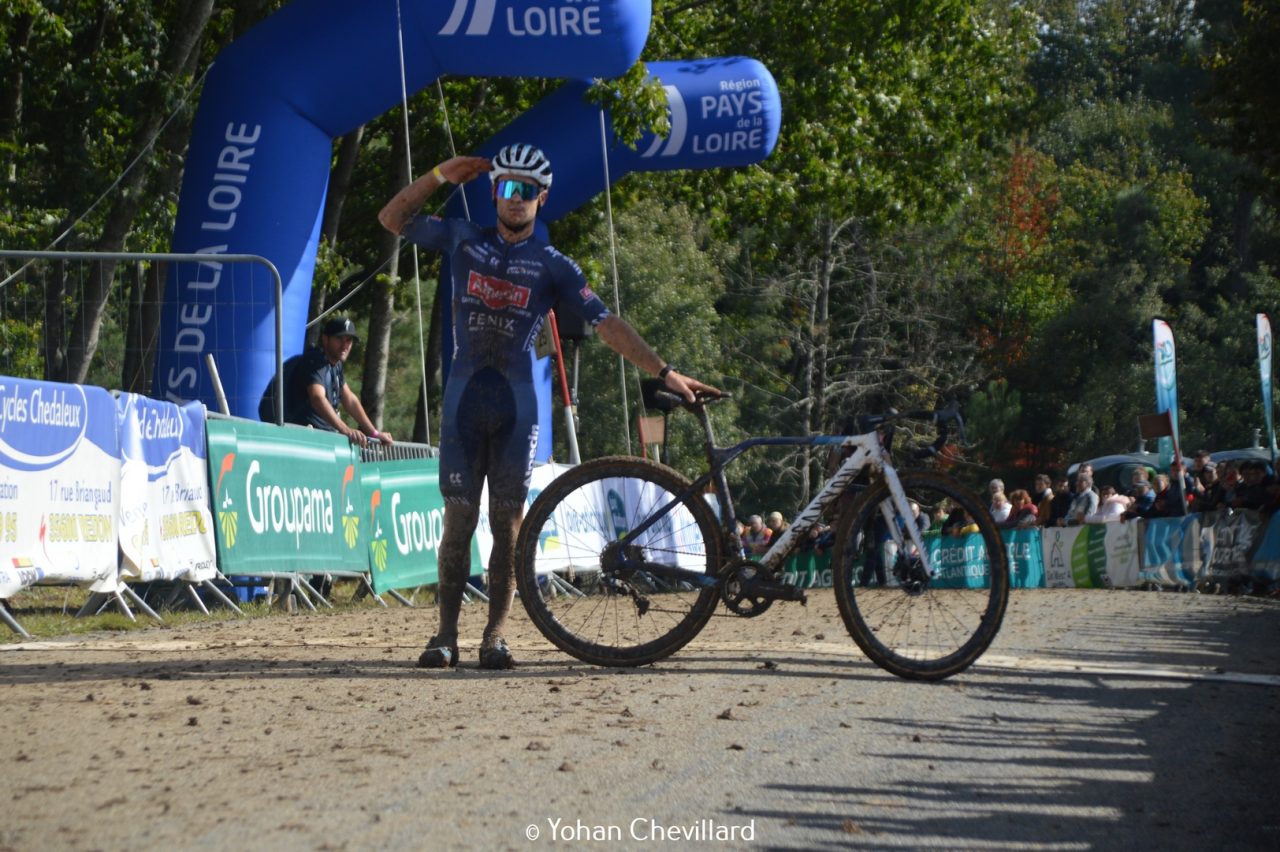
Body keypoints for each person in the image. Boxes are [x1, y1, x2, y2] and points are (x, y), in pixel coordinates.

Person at [378, 145, 720, 669]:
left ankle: (494, 635)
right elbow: (392, 218)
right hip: (464, 402)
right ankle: (445, 634)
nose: (517, 200)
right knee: (460, 520)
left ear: (543, 199)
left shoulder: (553, 265)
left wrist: (664, 371)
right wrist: (438, 174)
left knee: (509, 524)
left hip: (517, 407)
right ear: (495, 192)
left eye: (528, 192)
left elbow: (607, 324)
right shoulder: (462, 237)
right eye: (508, 188)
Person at [281, 317, 393, 448]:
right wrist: (345, 430)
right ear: (325, 339)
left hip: (322, 439)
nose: (345, 345)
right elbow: (317, 397)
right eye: (339, 339)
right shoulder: (316, 361)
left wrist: (374, 433)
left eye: (349, 340)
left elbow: (349, 399)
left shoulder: (336, 364)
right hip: (304, 440)